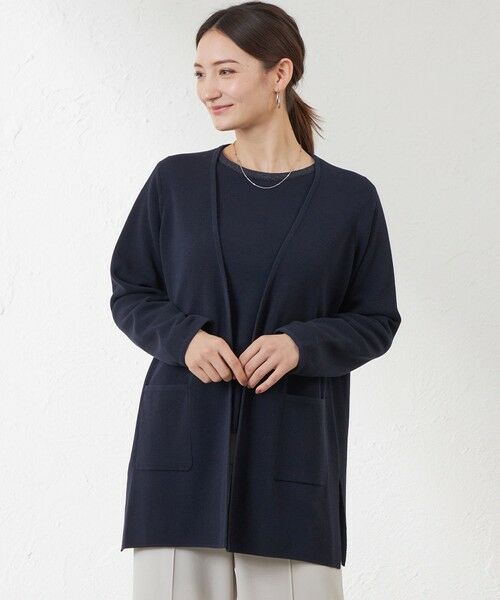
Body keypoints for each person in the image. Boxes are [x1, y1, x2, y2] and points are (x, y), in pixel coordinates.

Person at [109, 2, 401, 599]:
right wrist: (184, 338)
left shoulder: (349, 199)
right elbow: (132, 290)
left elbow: (376, 319)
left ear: (279, 73)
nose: (208, 90)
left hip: (293, 466)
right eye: (199, 73)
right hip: (180, 463)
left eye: (226, 71)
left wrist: (302, 344)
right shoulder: (175, 183)